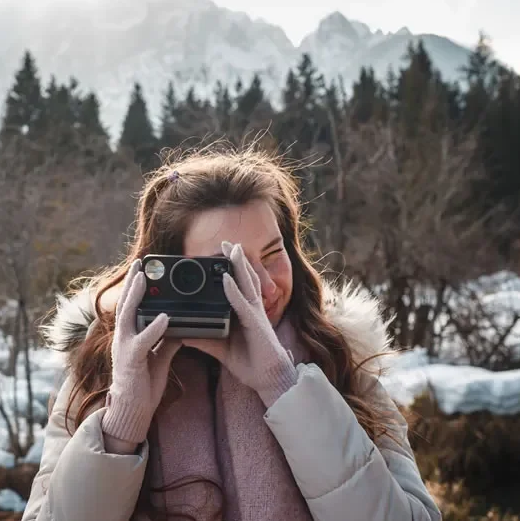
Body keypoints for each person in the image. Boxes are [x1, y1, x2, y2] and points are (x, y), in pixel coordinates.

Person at [23, 146, 441, 521]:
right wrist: (120, 427)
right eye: (227, 269)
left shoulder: (338, 354)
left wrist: (285, 387)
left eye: (274, 254)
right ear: (174, 276)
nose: (267, 287)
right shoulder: (99, 370)